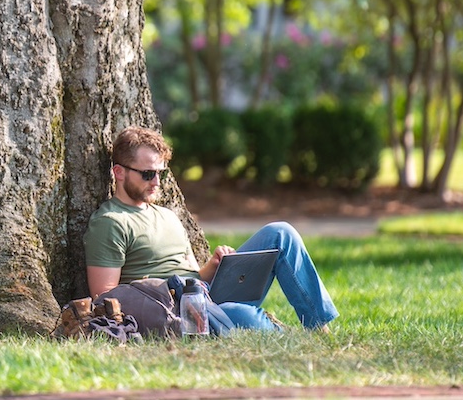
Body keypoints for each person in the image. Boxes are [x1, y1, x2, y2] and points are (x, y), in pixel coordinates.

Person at [84, 126, 339, 332]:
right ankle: (282, 335)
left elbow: (195, 274)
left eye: (161, 173)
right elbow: (105, 297)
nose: (157, 182)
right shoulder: (110, 222)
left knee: (281, 233)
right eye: (148, 174)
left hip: (204, 294)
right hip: (174, 310)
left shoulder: (168, 216)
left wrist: (214, 266)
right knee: (241, 315)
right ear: (119, 172)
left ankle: (318, 326)